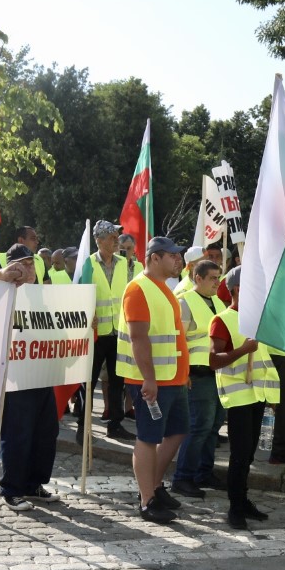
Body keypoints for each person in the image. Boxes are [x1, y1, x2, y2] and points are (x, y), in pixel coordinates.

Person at [117, 236, 189, 523]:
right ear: (154, 258)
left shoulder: (164, 288)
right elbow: (138, 337)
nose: (178, 260)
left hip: (172, 378)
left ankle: (154, 487)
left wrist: (182, 376)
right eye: (173, 256)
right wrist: (149, 378)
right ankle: (147, 500)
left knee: (177, 431)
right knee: (148, 438)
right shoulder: (138, 289)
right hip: (151, 380)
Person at [0, 245, 62, 510]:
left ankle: (34, 483)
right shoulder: (3, 295)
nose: (29, 269)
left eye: (32, 263)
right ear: (11, 267)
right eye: (22, 264)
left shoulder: (43, 296)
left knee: (46, 432)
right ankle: (11, 487)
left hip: (43, 372)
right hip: (16, 376)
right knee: (17, 433)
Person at [209, 265, 276, 529]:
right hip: (237, 397)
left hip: (257, 394)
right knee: (239, 454)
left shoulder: (258, 319)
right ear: (238, 289)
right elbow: (214, 360)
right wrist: (242, 349)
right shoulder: (223, 320)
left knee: (248, 454)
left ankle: (243, 500)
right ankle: (235, 507)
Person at [171, 260, 226, 498]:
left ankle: (204, 472)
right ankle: (183, 477)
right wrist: (182, 373)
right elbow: (178, 340)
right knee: (199, 426)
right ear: (198, 278)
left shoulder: (218, 301)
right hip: (197, 373)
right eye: (213, 278)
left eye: (218, 277)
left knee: (214, 425)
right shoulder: (185, 302)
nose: (217, 282)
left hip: (217, 373)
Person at [77, 221, 134, 443]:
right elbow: (81, 295)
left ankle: (115, 424)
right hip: (95, 334)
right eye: (111, 237)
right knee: (88, 381)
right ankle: (83, 426)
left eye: (116, 236)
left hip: (118, 332)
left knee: (118, 381)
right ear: (99, 241)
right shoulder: (88, 264)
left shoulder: (123, 263)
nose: (116, 240)